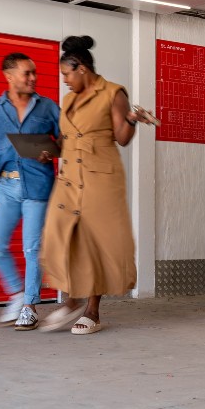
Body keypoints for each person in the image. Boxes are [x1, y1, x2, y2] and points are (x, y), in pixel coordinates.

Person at [38, 35, 154, 335]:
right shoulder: (67, 100)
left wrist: (131, 120)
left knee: (95, 243)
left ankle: (92, 310)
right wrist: (49, 150)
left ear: (82, 69)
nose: (64, 80)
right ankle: (71, 298)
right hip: (69, 179)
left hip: (100, 179)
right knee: (60, 237)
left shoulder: (113, 93)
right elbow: (65, 139)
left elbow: (123, 139)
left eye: (66, 74)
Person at [0, 52, 60, 331]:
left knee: (32, 248)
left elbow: (66, 139)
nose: (33, 78)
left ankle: (30, 306)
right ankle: (17, 294)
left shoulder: (47, 107)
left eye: (34, 73)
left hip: (38, 186)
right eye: (26, 73)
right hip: (6, 185)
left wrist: (52, 152)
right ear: (9, 77)